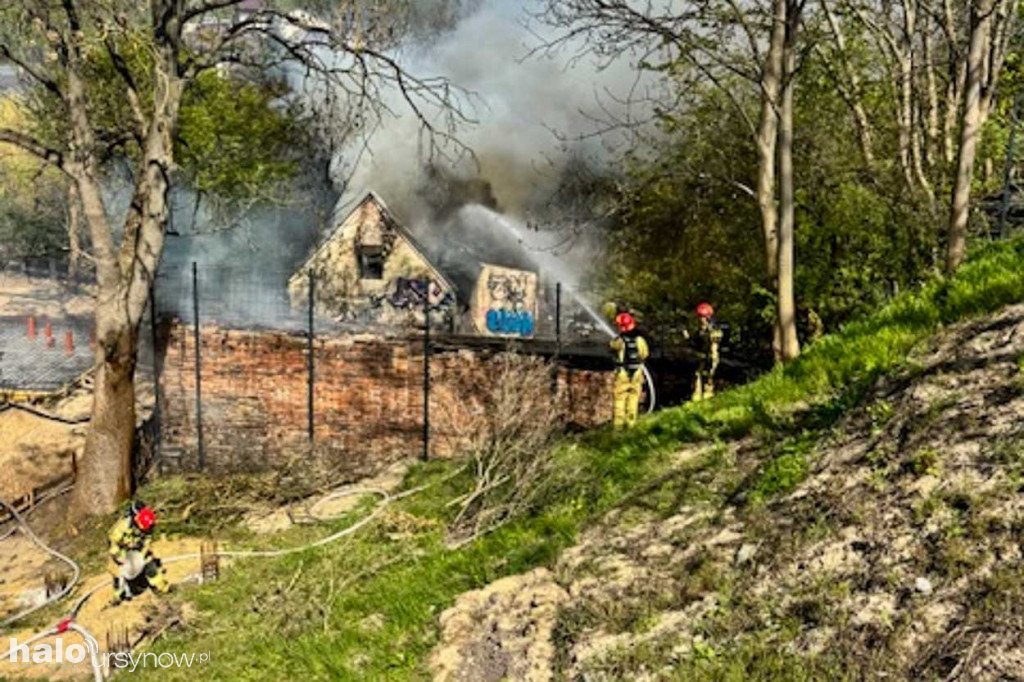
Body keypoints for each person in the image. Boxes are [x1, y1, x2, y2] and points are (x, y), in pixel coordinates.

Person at [108, 500, 170, 603]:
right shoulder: (122, 526)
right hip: (121, 549)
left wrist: (143, 555)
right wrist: (117, 556)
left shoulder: (148, 526)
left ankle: (162, 588)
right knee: (117, 573)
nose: (146, 530)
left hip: (137, 547)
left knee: (150, 565)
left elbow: (147, 542)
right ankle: (117, 597)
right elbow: (112, 541)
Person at [609, 309, 649, 429]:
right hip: (637, 373)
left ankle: (618, 427)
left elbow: (611, 347)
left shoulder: (619, 341)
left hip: (622, 373)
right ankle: (631, 424)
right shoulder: (640, 340)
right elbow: (645, 354)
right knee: (633, 398)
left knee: (619, 400)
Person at [692, 302, 723, 401]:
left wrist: (710, 332)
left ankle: (708, 391)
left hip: (712, 354)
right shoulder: (700, 330)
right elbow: (696, 341)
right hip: (703, 355)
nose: (701, 320)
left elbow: (717, 338)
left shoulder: (714, 328)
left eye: (703, 317)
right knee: (698, 374)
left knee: (710, 373)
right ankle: (697, 393)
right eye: (700, 317)